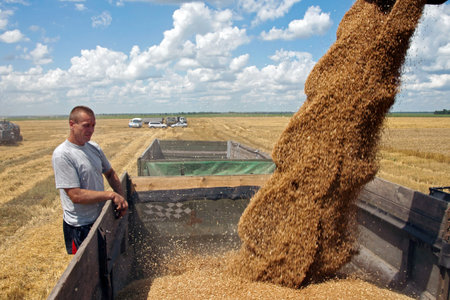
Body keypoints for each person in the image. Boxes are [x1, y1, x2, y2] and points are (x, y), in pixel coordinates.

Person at [52, 105, 128, 254]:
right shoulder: (63, 155)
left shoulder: (93, 147)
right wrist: (111, 195)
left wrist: (121, 197)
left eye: (93, 125)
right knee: (87, 271)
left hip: (100, 218)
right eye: (86, 125)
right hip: (80, 225)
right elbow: (76, 195)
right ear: (72, 125)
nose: (91, 130)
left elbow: (110, 173)